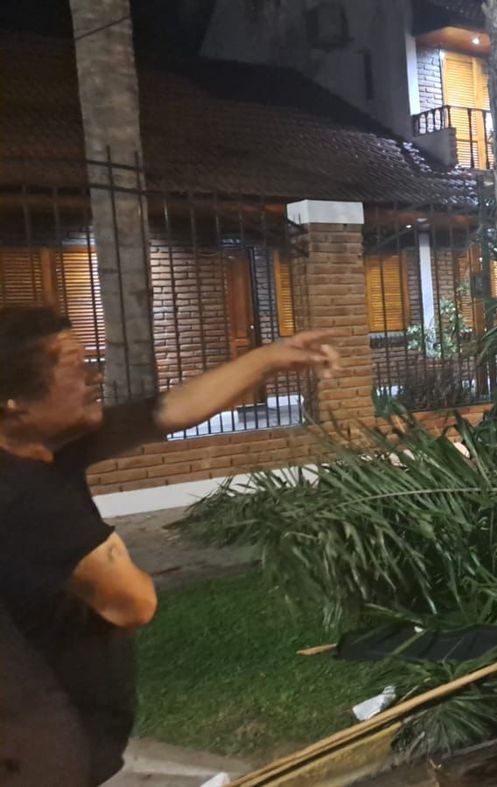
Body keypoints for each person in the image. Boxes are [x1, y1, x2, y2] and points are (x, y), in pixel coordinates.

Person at [0, 306, 341, 785]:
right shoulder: (24, 497)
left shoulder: (40, 444)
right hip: (42, 744)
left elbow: (165, 411)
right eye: (75, 366)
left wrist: (271, 357)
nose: (94, 376)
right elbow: (133, 603)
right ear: (15, 400)